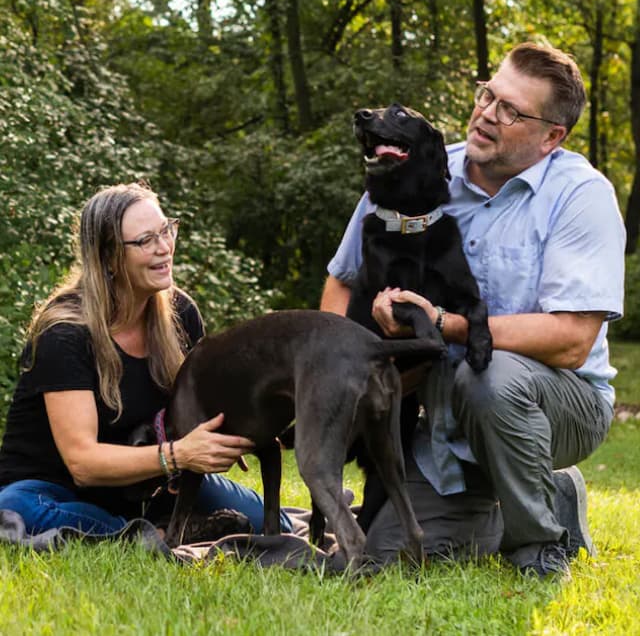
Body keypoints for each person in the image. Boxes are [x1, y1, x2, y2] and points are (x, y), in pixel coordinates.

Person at [321, 42, 625, 576]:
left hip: (560, 405)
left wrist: (445, 325)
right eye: (489, 94)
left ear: (552, 136)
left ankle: (538, 543)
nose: (487, 113)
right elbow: (341, 283)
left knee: (489, 375)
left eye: (511, 110)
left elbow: (573, 340)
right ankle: (540, 494)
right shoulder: (416, 167)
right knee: (383, 556)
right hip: (440, 416)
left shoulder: (581, 195)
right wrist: (343, 377)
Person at [0, 182, 292, 540]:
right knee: (19, 510)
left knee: (276, 525)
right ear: (108, 258)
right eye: (145, 241)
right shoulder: (64, 334)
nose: (164, 247)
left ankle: (153, 531)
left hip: (147, 485)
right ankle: (153, 533)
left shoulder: (180, 312)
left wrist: (235, 432)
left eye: (167, 230)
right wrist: (178, 455)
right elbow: (82, 464)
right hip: (53, 489)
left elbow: (204, 404)